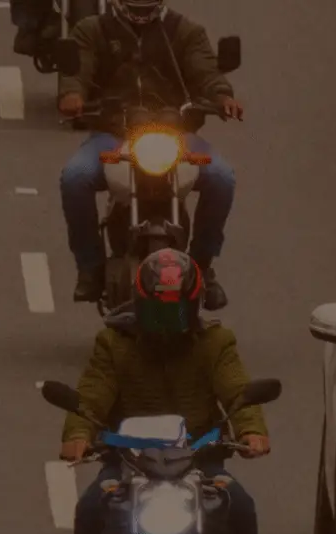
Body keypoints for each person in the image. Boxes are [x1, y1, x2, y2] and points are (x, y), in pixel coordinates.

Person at [59, 248, 264, 534]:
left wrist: (252, 431)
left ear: (194, 306)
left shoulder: (216, 343)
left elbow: (238, 391)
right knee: (91, 508)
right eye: (158, 311)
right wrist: (79, 435)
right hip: (129, 460)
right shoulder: (113, 343)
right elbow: (91, 396)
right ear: (140, 304)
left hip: (199, 460)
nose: (167, 322)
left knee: (240, 506)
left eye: (177, 311)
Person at [56, 0, 243, 310]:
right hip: (113, 135)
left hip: (176, 135)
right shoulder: (92, 30)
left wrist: (222, 96)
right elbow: (77, 71)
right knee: (75, 178)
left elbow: (206, 72)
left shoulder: (186, 32)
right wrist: (72, 94)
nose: (141, 9)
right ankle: (90, 267)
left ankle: (202, 265)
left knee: (222, 177)